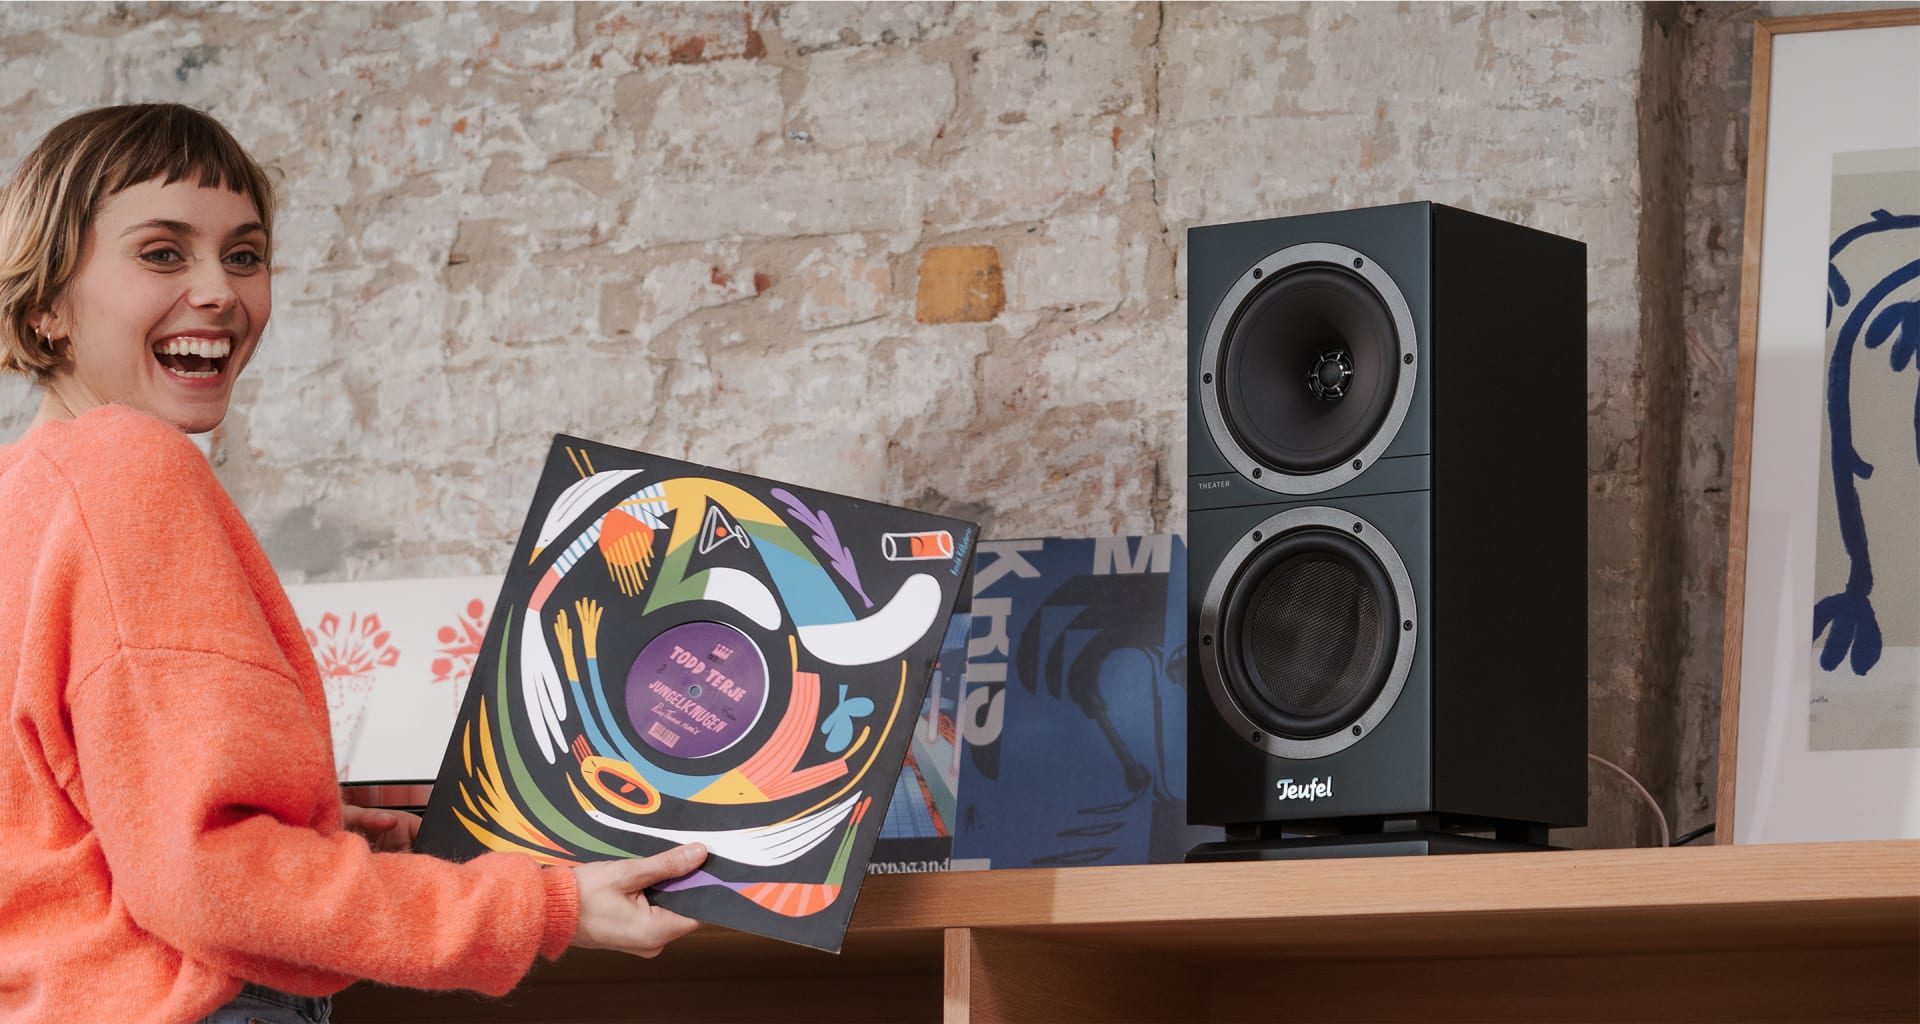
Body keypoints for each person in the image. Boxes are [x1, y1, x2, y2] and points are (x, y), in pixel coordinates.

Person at [0, 103, 708, 1024]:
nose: (218, 291)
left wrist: (311, 840)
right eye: (163, 253)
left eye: (244, 256)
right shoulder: (131, 468)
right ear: (45, 303)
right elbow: (210, 877)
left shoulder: (23, 496)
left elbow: (82, 839)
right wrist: (542, 905)